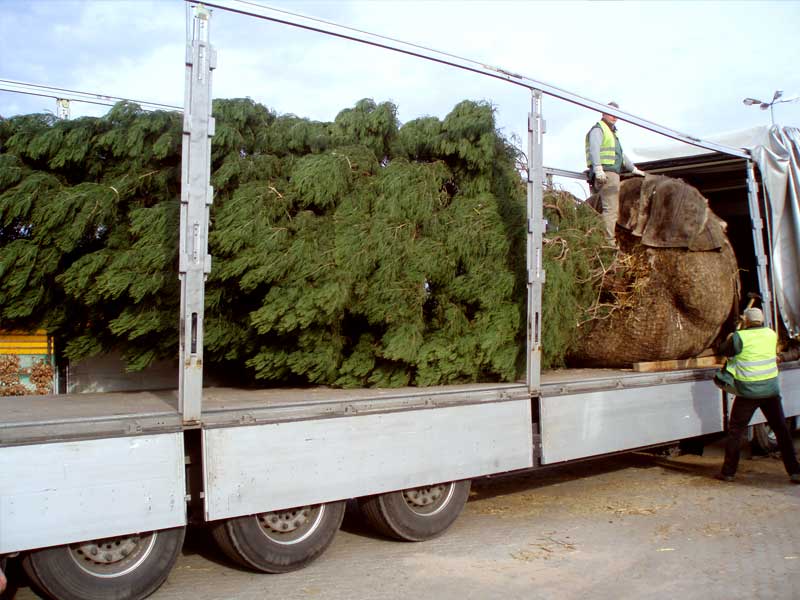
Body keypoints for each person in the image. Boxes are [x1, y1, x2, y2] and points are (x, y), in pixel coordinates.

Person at [716, 307, 800, 483]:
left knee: (736, 432)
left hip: (748, 393)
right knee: (781, 430)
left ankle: (728, 472)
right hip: (770, 391)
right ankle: (794, 471)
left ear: (746, 321)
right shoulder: (771, 334)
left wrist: (731, 337)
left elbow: (724, 350)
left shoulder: (740, 337)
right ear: (761, 320)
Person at [585, 101, 646, 244]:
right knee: (611, 209)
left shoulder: (612, 133)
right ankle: (608, 243)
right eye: (611, 113)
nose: (614, 117)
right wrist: (598, 168)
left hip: (605, 173)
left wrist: (633, 169)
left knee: (600, 207)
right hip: (608, 174)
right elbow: (595, 149)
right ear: (603, 112)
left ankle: (596, 238)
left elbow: (621, 155)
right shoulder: (599, 129)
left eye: (616, 115)